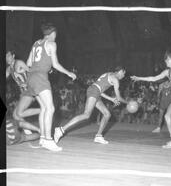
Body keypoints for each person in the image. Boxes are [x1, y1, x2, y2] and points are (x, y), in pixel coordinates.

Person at [26, 23, 76, 151]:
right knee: (50, 108)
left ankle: (43, 138)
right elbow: (56, 64)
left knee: (44, 108)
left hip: (31, 77)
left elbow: (29, 63)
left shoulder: (36, 43)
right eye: (56, 34)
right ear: (52, 34)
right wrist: (69, 73)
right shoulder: (52, 44)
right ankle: (48, 140)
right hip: (40, 78)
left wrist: (42, 67)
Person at [54, 66, 127, 144]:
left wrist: (111, 99)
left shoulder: (108, 74)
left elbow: (99, 89)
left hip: (95, 91)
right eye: (124, 73)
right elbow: (119, 98)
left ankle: (98, 136)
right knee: (86, 115)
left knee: (107, 114)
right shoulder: (115, 79)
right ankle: (61, 130)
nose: (124, 75)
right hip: (94, 91)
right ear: (120, 71)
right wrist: (128, 102)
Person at [6, 51, 40, 134]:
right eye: (5, 57)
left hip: (29, 90)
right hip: (23, 94)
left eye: (8, 56)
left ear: (13, 56)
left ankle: (44, 110)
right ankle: (37, 130)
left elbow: (32, 71)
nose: (7, 58)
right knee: (15, 116)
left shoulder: (19, 63)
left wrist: (28, 82)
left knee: (20, 113)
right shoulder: (8, 69)